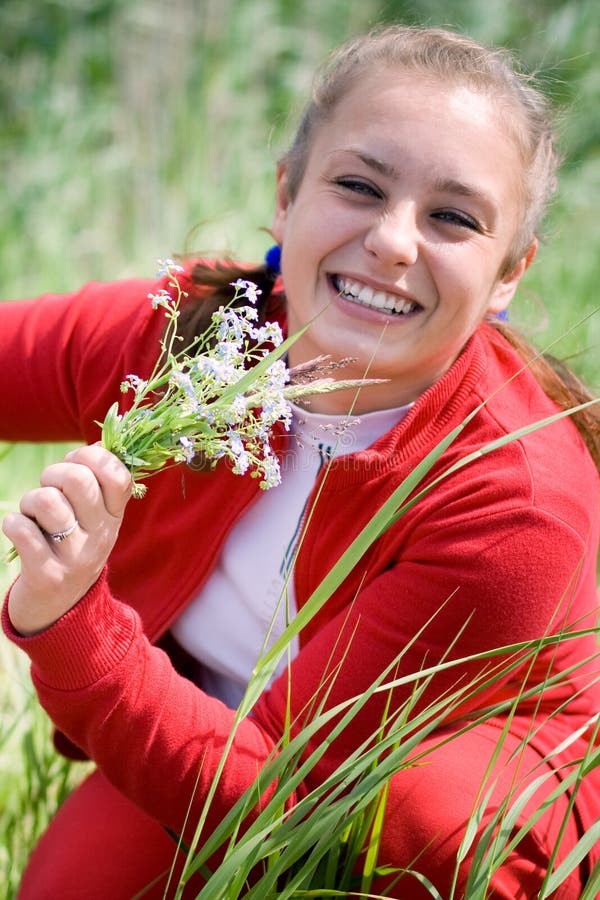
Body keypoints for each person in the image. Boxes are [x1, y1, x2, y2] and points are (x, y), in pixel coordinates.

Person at [2, 23, 599, 900]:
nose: (394, 242)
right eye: (359, 186)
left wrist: (72, 622)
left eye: (454, 218)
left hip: (421, 788)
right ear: (287, 197)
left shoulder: (519, 503)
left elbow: (281, 804)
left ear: (509, 272)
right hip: (217, 712)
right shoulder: (191, 335)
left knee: (420, 825)